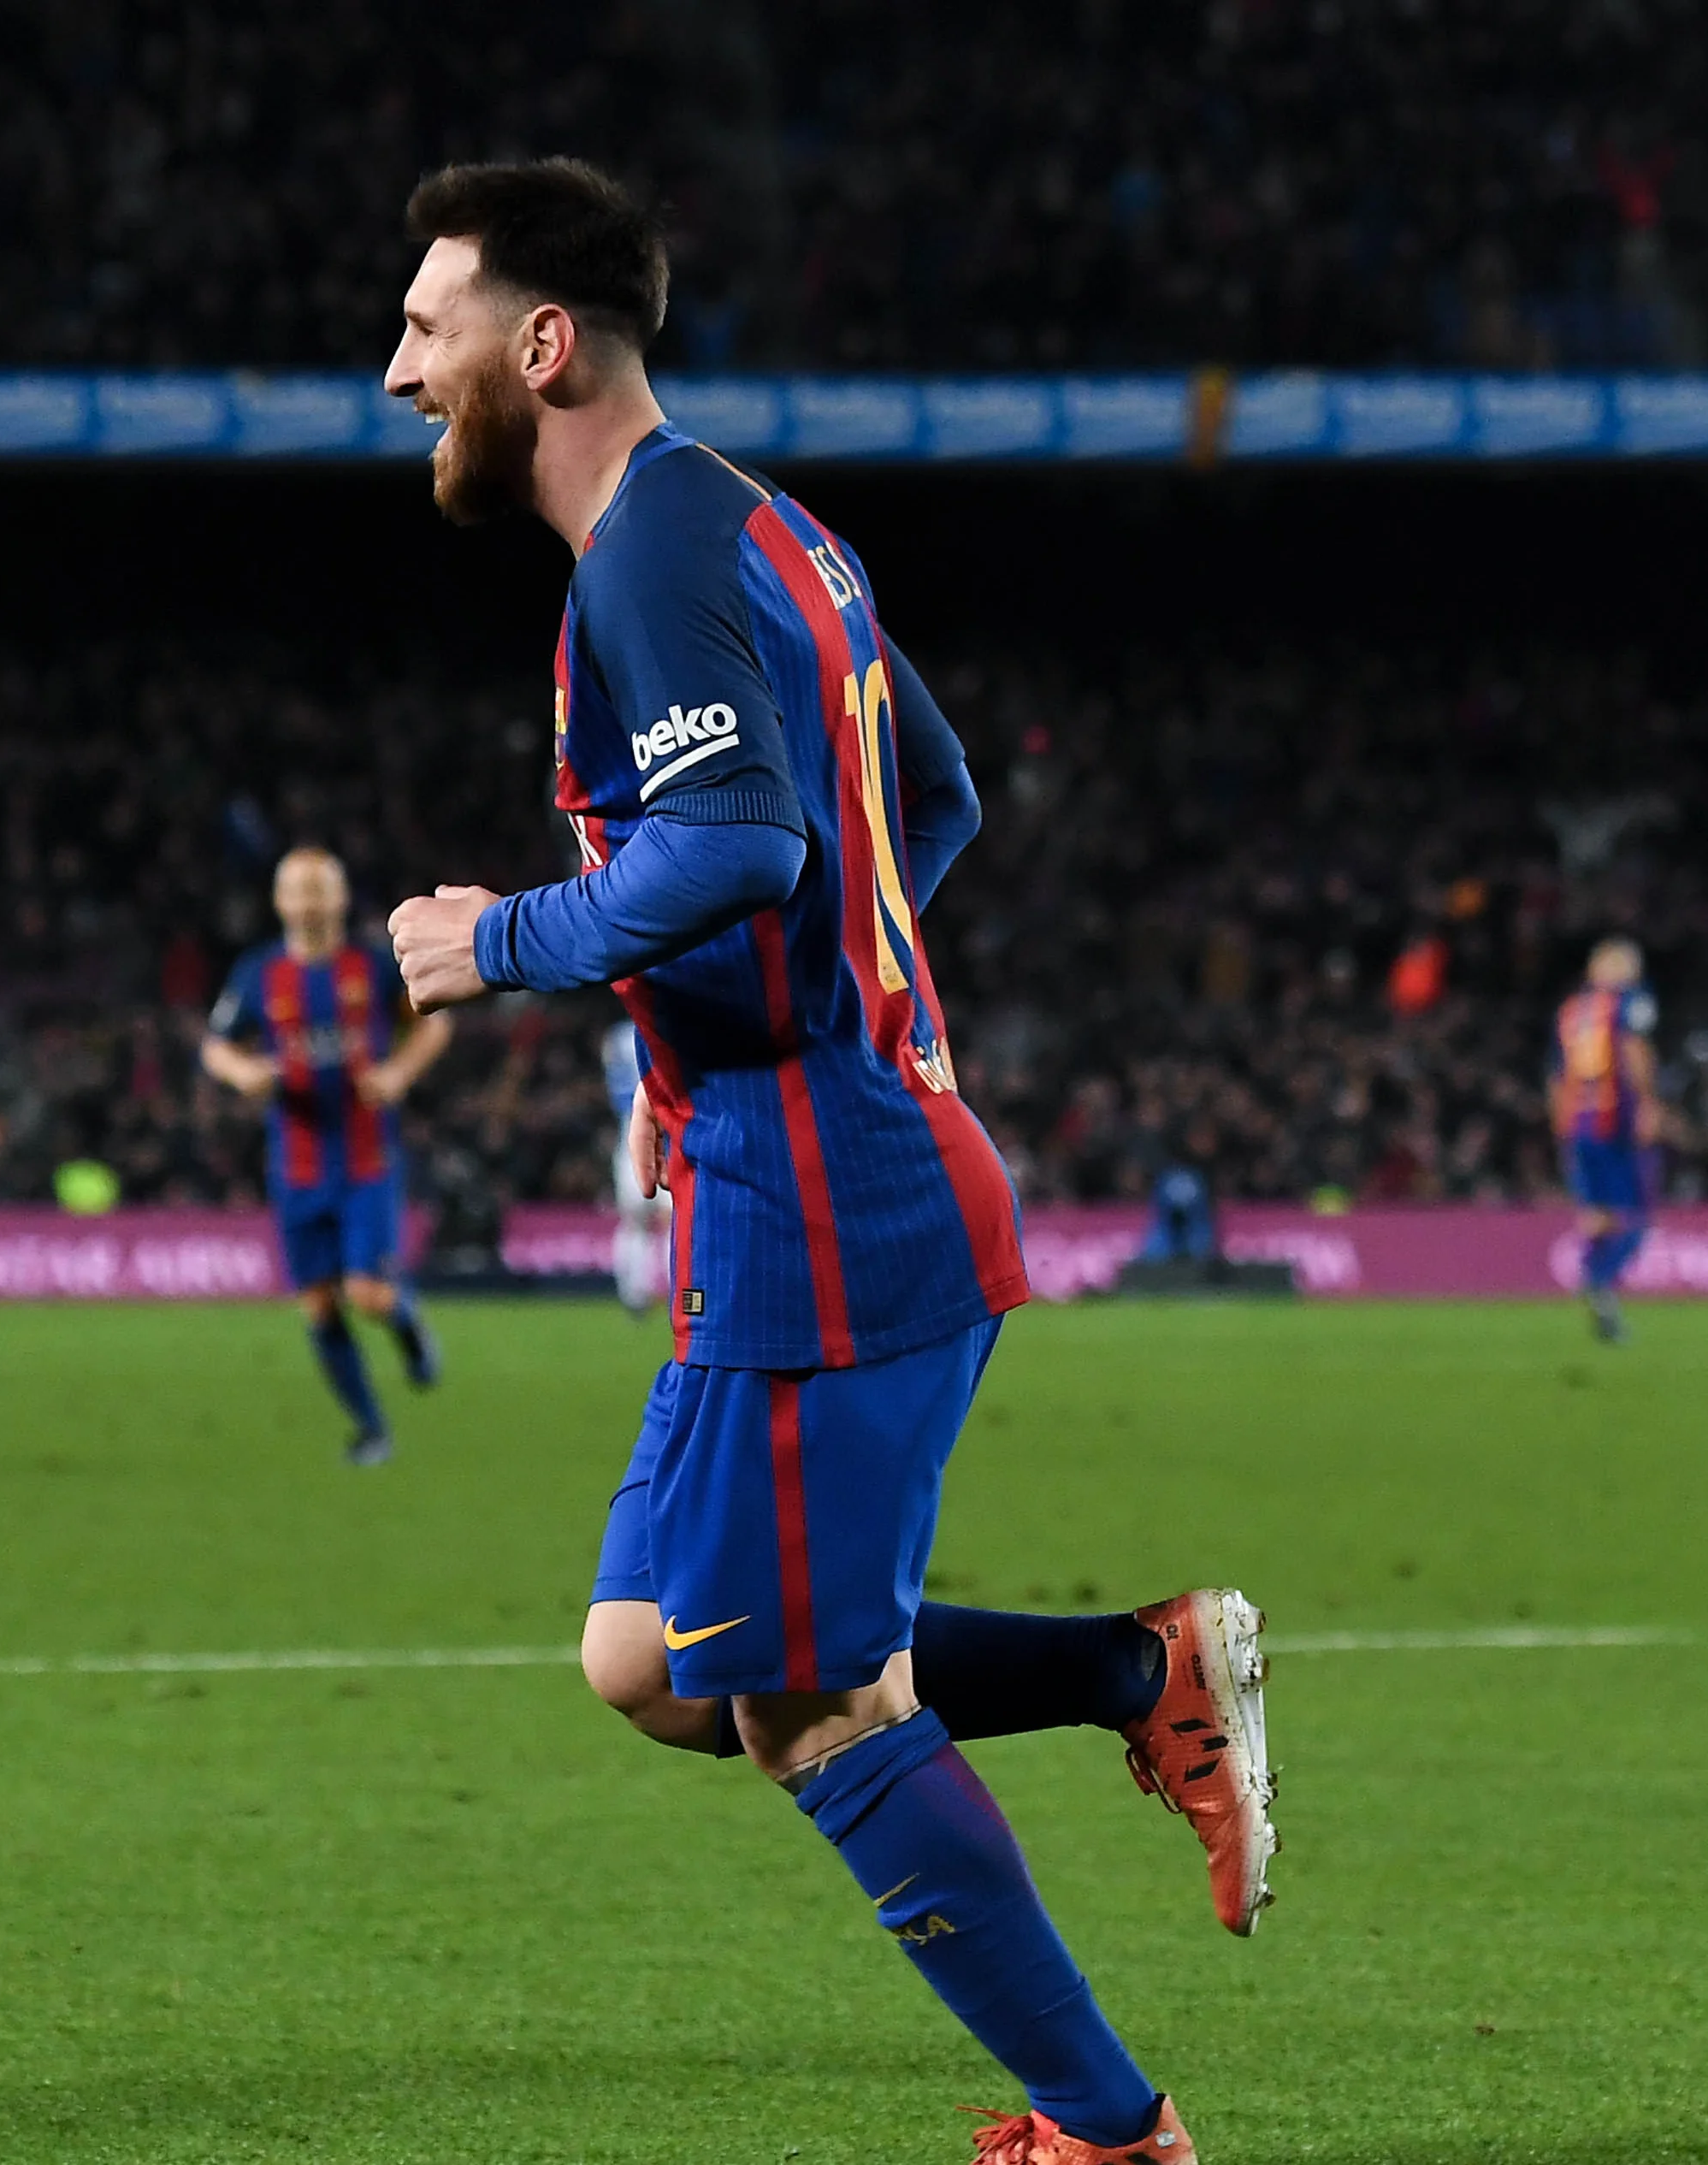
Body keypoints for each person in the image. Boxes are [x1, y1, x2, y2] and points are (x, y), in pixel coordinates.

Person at [377, 160, 1267, 2165]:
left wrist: (501, 941)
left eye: (424, 328)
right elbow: (920, 797)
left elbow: (747, 848)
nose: (392, 370)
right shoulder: (763, 527)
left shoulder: (638, 560)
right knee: (644, 1659)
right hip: (776, 1170)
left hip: (825, 1207)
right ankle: (1139, 1666)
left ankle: (1106, 2134)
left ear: (539, 346)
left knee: (802, 1705)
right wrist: (725, 1015)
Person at [200, 847, 450, 1464]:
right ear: (280, 901)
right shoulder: (259, 973)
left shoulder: (372, 964)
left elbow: (434, 1024)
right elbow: (216, 1046)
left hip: (366, 1159)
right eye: (298, 890)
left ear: (340, 898)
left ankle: (408, 1322)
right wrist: (244, 1073)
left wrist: (397, 1073)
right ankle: (371, 1429)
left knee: (366, 1292)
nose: (310, 902)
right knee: (317, 1303)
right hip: (297, 1164)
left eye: (321, 889)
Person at [1552, 937, 1664, 1344]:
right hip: (1616, 1123)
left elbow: (1556, 1077)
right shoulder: (1629, 1002)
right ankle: (1598, 1279)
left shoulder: (1570, 1011)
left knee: (1596, 1215)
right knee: (1638, 1216)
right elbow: (1634, 1049)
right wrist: (1649, 1103)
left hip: (1577, 1124)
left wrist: (1562, 1129)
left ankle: (1598, 1288)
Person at [600, 1020, 669, 1317]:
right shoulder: (661, 1026)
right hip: (664, 1125)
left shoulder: (614, 1036)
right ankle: (677, 1291)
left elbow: (612, 1081)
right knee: (671, 1219)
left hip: (628, 1127)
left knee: (634, 1220)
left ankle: (632, 1294)